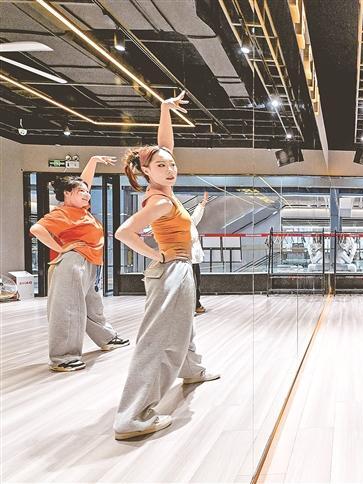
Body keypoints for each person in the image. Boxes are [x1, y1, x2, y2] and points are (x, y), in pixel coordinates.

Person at [113, 91, 219, 440]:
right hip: (171, 269)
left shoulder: (164, 190)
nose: (170, 169)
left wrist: (164, 110)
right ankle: (132, 417)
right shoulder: (159, 201)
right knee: (159, 339)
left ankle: (192, 370)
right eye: (161, 166)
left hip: (179, 269)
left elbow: (164, 146)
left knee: (182, 325)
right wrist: (155, 254)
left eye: (171, 164)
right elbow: (124, 232)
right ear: (146, 171)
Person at [29, 156, 129, 372]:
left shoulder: (81, 210)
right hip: (72, 264)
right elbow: (36, 229)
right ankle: (63, 357)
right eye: (81, 191)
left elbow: (83, 183)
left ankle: (107, 338)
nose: (86, 194)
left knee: (93, 306)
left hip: (89, 262)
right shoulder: (63, 212)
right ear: (67, 193)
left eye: (87, 191)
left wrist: (93, 161)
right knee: (69, 309)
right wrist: (61, 247)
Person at [190, 191, 208, 314]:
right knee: (192, 284)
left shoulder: (189, 222)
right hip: (186, 260)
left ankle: (196, 304)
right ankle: (193, 305)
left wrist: (203, 202)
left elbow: (196, 215)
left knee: (196, 283)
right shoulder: (180, 226)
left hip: (194, 260)